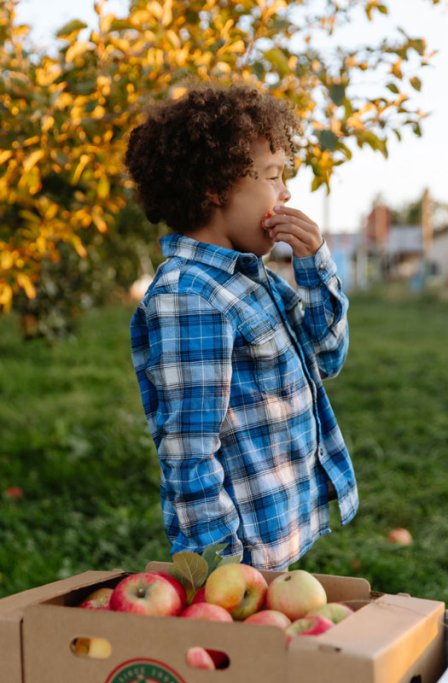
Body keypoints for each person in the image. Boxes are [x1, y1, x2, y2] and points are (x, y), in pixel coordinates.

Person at [125, 85, 357, 570]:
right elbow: (189, 450)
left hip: (277, 531)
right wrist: (220, 565)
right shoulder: (190, 296)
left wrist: (315, 264)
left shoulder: (252, 280)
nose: (286, 192)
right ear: (216, 187)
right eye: (272, 176)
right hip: (243, 559)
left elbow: (328, 356)